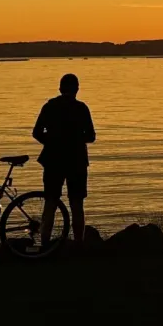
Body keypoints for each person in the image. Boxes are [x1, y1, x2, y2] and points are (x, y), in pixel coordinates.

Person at [32, 73, 96, 246]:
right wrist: (76, 139)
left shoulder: (49, 107)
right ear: (77, 89)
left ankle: (44, 244)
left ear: (60, 89)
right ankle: (78, 244)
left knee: (50, 202)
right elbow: (91, 136)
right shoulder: (81, 108)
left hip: (53, 160)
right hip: (77, 160)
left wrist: (51, 142)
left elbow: (36, 132)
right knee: (77, 204)